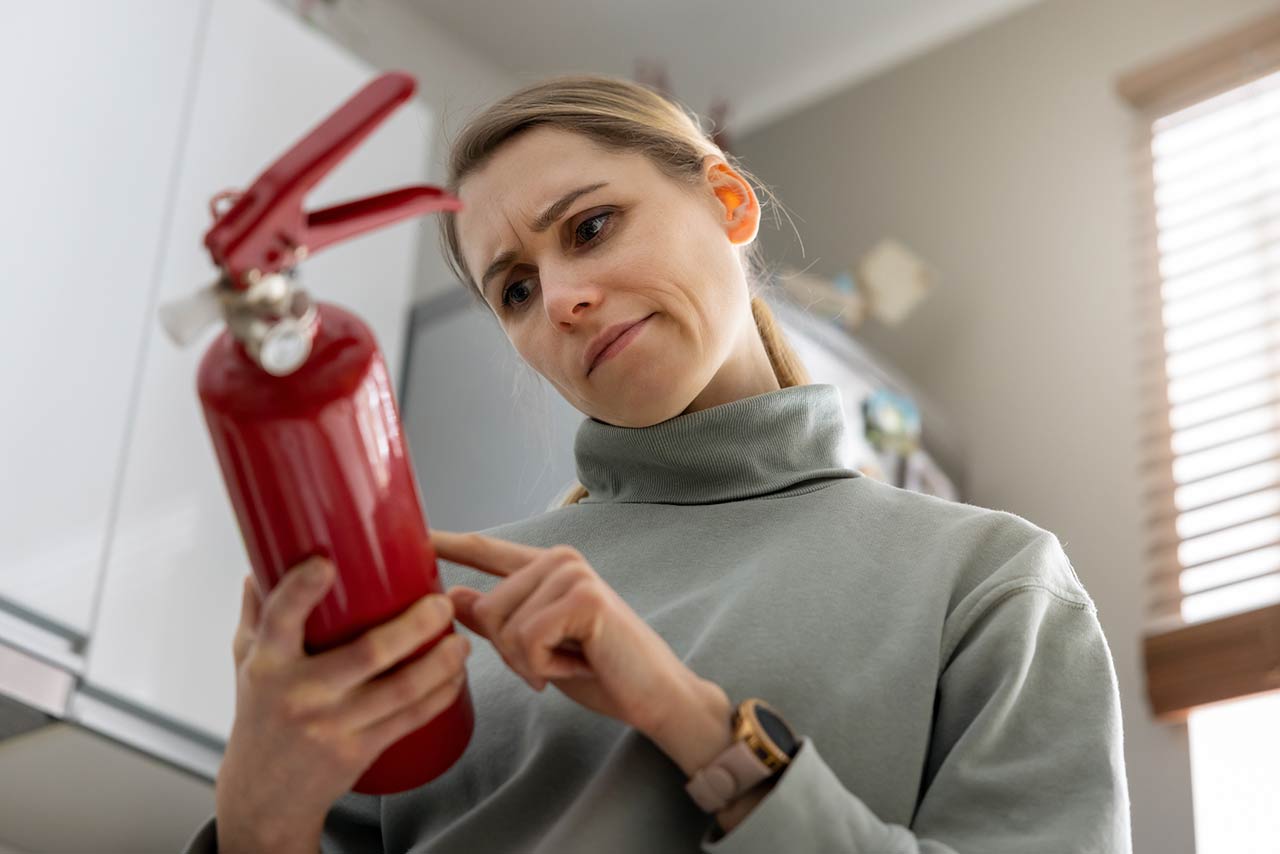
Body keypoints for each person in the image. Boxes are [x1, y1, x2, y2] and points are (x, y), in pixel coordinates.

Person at [183, 73, 1132, 854]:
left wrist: (695, 723)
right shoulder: (436, 611)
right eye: (515, 289)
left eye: (590, 227)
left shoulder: (988, 581)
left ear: (728, 200)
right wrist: (259, 811)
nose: (559, 299)